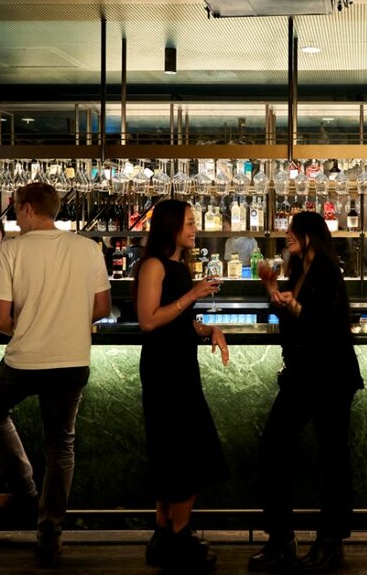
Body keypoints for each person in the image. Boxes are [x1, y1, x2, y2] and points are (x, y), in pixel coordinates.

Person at [0, 182, 112, 567]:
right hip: (71, 362)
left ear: (28, 209)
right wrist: (65, 323)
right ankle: (50, 536)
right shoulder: (88, 248)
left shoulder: (11, 251)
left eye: (16, 210)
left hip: (24, 361)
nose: (15, 217)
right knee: (61, 447)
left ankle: (23, 492)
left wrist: (32, 326)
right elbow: (102, 306)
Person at [249, 211, 364, 573]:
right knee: (272, 448)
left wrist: (291, 304)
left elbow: (322, 324)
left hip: (330, 376)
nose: (286, 235)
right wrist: (272, 289)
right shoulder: (299, 270)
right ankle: (282, 539)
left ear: (310, 235)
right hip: (304, 375)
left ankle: (329, 543)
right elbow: (293, 318)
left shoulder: (328, 271)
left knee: (332, 458)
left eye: (292, 230)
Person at [133, 199, 229, 572]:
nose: (195, 228)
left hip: (178, 366)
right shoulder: (155, 265)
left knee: (174, 450)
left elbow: (178, 321)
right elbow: (149, 321)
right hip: (163, 370)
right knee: (187, 450)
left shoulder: (176, 266)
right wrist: (193, 295)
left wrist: (208, 329)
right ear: (171, 226)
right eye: (189, 222)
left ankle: (164, 535)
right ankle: (178, 537)